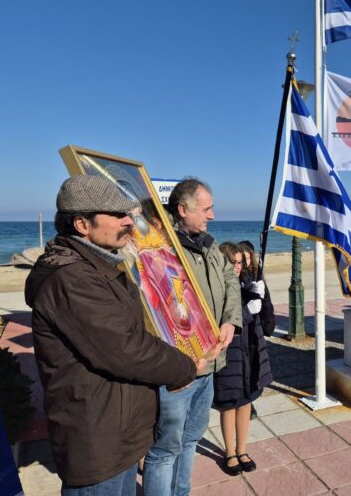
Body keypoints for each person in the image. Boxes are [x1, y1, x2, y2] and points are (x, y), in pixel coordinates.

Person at [25, 176, 204, 495]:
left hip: (117, 432)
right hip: (97, 438)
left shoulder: (99, 266)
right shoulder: (72, 278)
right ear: (82, 223)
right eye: (118, 216)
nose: (129, 222)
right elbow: (125, 347)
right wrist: (184, 367)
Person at [143, 178, 241, 496]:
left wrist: (230, 322)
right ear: (183, 210)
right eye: (206, 209)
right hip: (179, 368)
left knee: (190, 440)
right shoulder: (159, 246)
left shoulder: (209, 244)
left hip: (210, 362)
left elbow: (230, 280)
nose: (212, 215)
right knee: (165, 449)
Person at [214, 242, 273, 475]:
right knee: (229, 404)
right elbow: (223, 320)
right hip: (231, 352)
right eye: (233, 263)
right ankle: (230, 452)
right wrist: (248, 310)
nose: (238, 267)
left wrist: (260, 293)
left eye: (240, 262)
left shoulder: (245, 283)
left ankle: (242, 449)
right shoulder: (218, 287)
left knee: (247, 400)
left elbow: (265, 316)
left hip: (250, 350)